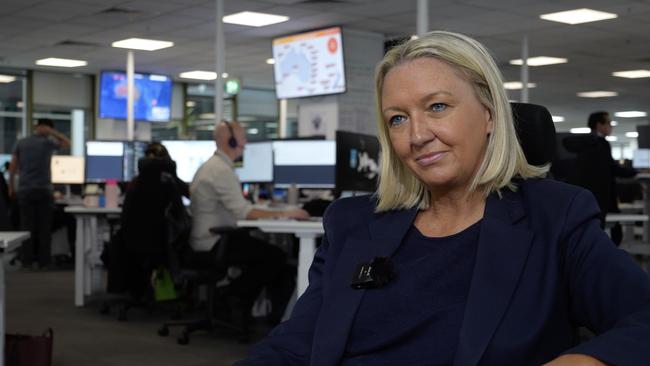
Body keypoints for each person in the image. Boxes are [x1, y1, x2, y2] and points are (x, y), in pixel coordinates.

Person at [236, 31, 650, 366]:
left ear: (489, 114)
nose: (416, 135)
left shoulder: (555, 217)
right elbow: (295, 344)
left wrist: (582, 361)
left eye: (437, 107)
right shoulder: (351, 223)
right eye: (397, 119)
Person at [189, 120, 309, 324]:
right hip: (214, 241)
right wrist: (285, 214)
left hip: (209, 238)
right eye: (243, 137)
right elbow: (244, 213)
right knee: (275, 256)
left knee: (270, 255)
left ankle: (246, 305)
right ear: (232, 140)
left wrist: (270, 210)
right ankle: (232, 296)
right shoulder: (221, 170)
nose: (246, 142)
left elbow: (239, 207)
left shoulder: (214, 166)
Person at [562, 112, 637, 245]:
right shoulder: (599, 143)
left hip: (589, 194)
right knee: (608, 228)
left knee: (594, 228)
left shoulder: (587, 143)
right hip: (602, 195)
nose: (611, 126)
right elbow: (613, 168)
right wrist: (635, 172)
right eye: (608, 123)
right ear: (599, 125)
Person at [9, 118, 70, 269]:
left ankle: (27, 262)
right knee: (44, 229)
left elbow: (13, 166)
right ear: (46, 128)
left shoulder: (22, 142)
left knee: (27, 228)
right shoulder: (48, 142)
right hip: (43, 190)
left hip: (25, 190)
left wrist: (10, 186)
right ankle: (44, 262)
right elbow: (67, 143)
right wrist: (53, 133)